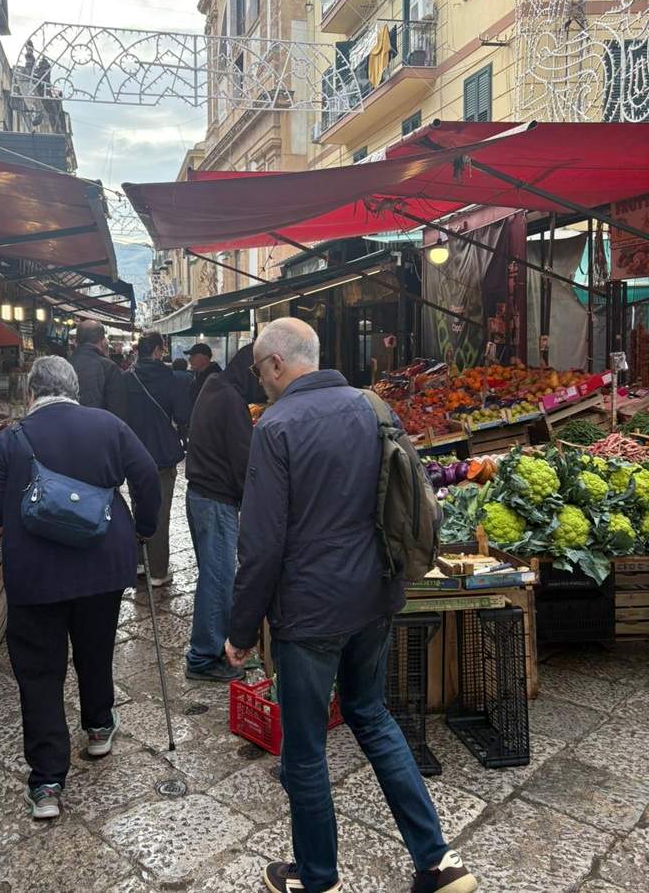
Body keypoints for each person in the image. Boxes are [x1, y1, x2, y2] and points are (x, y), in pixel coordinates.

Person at [225, 318, 478, 893]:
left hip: (310, 612)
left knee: (306, 748)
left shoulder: (277, 425)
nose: (262, 383)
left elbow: (260, 544)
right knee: (372, 714)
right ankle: (437, 863)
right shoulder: (372, 408)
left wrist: (240, 629)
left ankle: (318, 879)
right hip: (375, 596)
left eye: (261, 370)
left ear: (276, 365)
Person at [0, 356, 161, 820]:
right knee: (95, 649)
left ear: (32, 392)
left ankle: (48, 782)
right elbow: (147, 476)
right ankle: (98, 728)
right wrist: (144, 527)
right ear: (74, 389)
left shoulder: (12, 438)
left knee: (39, 672)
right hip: (103, 567)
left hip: (36, 574)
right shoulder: (109, 425)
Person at [184, 344, 265, 683]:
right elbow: (243, 461)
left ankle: (218, 649)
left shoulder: (214, 384)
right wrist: (259, 509)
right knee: (217, 581)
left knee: (214, 577)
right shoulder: (231, 400)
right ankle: (203, 658)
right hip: (215, 500)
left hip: (201, 495)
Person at [124, 332, 191, 586]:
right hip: (163, 454)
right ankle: (159, 571)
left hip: (134, 454)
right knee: (160, 512)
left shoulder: (126, 378)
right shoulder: (172, 378)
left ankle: (140, 563)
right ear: (156, 351)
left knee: (138, 505)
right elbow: (183, 415)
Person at [70, 320, 127, 419]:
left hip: (67, 430)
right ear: (102, 341)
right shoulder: (109, 367)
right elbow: (117, 412)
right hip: (99, 430)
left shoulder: (64, 364)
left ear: (76, 341)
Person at [185, 342, 221, 407]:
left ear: (205, 359)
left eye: (193, 356)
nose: (189, 359)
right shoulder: (199, 375)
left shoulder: (215, 380)